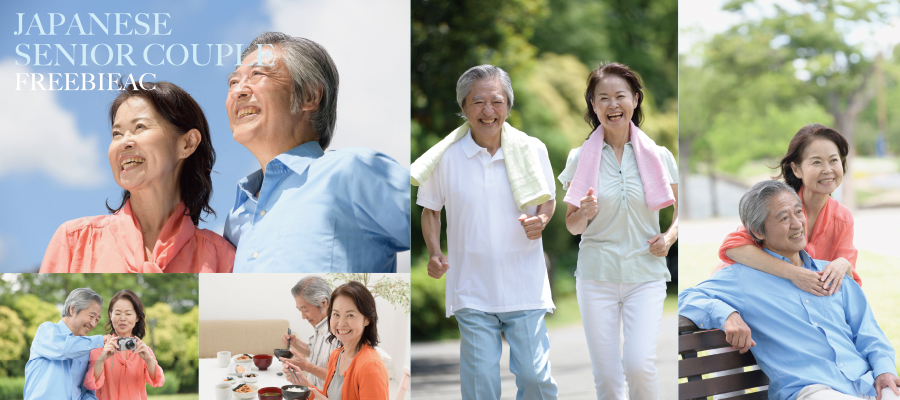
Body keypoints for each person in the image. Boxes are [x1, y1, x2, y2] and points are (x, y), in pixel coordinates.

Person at [680, 180, 900, 400]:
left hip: (867, 384)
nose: (797, 224)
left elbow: (868, 332)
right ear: (758, 230)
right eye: (784, 218)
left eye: (798, 212)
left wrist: (884, 370)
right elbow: (686, 298)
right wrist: (727, 314)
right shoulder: (742, 279)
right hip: (812, 391)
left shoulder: (831, 272)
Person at [416, 65, 559, 400]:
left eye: (497, 101)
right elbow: (431, 211)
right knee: (481, 384)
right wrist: (435, 252)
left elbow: (547, 202)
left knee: (535, 377)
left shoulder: (531, 149)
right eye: (478, 102)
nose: (488, 110)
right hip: (472, 289)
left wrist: (542, 221)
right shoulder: (447, 157)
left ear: (508, 105)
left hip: (524, 285)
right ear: (463, 107)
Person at [222, 32, 410, 272]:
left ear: (309, 96)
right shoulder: (235, 218)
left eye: (257, 74)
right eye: (233, 82)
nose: (238, 91)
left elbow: (445, 223)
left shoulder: (352, 171)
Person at [557, 62, 677, 399]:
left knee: (639, 365)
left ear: (635, 100)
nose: (612, 105)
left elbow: (681, 212)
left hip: (645, 274)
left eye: (620, 96)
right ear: (593, 106)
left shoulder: (660, 156)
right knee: (608, 378)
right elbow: (571, 225)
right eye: (603, 98)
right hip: (597, 275)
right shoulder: (580, 157)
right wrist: (583, 212)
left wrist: (668, 238)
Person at [40, 81, 235, 273]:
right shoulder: (74, 241)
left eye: (139, 127)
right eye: (117, 133)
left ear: (187, 144)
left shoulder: (222, 258)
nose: (124, 142)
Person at [716, 124, 858, 296]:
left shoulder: (843, 218)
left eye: (834, 160)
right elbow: (732, 246)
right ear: (797, 169)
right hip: (743, 292)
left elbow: (851, 284)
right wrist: (793, 273)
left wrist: (844, 263)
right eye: (816, 162)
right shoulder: (779, 204)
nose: (827, 170)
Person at [283, 281, 389, 400]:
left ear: (367, 320)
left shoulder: (371, 366)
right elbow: (327, 396)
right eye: (336, 314)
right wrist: (303, 382)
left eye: (350, 315)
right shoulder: (337, 355)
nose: (341, 323)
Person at [24, 288, 107, 400]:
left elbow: (85, 392)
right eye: (91, 316)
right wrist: (101, 340)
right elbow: (65, 349)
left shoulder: (86, 348)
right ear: (72, 309)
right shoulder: (46, 331)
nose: (93, 324)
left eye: (97, 319)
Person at [84, 290, 164, 400]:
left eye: (128, 313)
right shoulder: (99, 349)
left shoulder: (143, 350)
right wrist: (101, 359)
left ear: (137, 317)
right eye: (117, 313)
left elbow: (158, 381)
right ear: (110, 316)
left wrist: (148, 359)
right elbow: (91, 384)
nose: (122, 318)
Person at [280, 276, 340, 388]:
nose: (303, 316)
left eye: (305, 310)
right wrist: (295, 342)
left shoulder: (339, 332)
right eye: (300, 310)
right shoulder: (320, 327)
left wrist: (307, 367)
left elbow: (340, 379)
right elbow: (316, 353)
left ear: (323, 302)